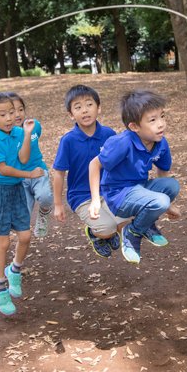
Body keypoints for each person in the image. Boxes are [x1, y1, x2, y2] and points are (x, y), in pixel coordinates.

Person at [88, 90, 180, 264]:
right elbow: (94, 164)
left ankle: (146, 224)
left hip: (139, 188)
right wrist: (94, 200)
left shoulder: (160, 142)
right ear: (134, 127)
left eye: (162, 116)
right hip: (118, 196)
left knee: (172, 186)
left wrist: (169, 205)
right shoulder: (121, 143)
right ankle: (133, 231)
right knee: (160, 201)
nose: (161, 124)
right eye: (152, 120)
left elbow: (163, 172)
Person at [0, 92, 44, 315]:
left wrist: (25, 135)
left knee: (25, 236)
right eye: (3, 114)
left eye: (12, 112)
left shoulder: (16, 132)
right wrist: (28, 175)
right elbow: (3, 169)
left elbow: (23, 158)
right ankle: (0, 286)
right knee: (2, 242)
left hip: (15, 190)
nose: (9, 117)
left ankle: (14, 270)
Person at [52, 85, 124, 258]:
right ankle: (97, 234)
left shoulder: (109, 134)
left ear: (98, 107)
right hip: (82, 196)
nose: (84, 110)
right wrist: (58, 204)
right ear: (71, 114)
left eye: (89, 104)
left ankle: (109, 230)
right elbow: (59, 173)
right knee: (107, 228)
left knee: (125, 222)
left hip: (108, 191)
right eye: (78, 107)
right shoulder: (68, 140)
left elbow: (119, 164)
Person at [8, 92, 53, 238]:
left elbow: (36, 140)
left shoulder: (34, 126)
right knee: (24, 213)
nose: (17, 114)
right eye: (12, 111)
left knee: (45, 197)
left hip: (38, 171)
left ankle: (43, 215)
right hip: (20, 178)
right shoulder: (7, 135)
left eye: (20, 109)